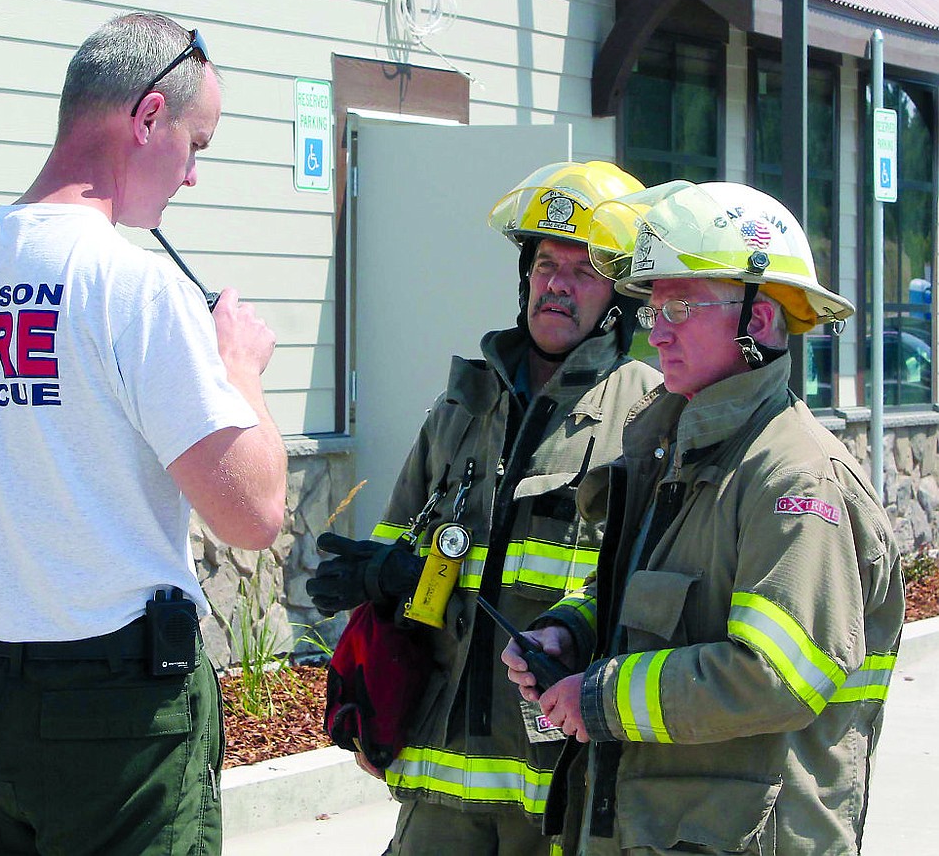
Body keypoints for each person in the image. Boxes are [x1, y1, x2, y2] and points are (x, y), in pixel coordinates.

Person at [0, 12, 287, 856]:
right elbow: (255, 513)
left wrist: (8, 548)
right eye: (198, 144)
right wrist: (240, 371)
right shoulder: (133, 288)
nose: (193, 176)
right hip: (119, 724)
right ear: (148, 118)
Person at [502, 180, 905, 856]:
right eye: (653, 306)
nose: (656, 329)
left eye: (681, 305)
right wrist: (569, 633)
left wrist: (599, 696)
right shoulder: (680, 448)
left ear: (764, 321)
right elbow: (654, 600)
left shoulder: (793, 476)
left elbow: (775, 676)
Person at [307, 162, 662, 855]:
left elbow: (655, 595)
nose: (556, 283)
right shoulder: (460, 409)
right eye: (545, 263)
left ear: (619, 292)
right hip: (437, 784)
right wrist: (386, 581)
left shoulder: (646, 414)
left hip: (561, 786)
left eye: (583, 269)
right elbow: (396, 558)